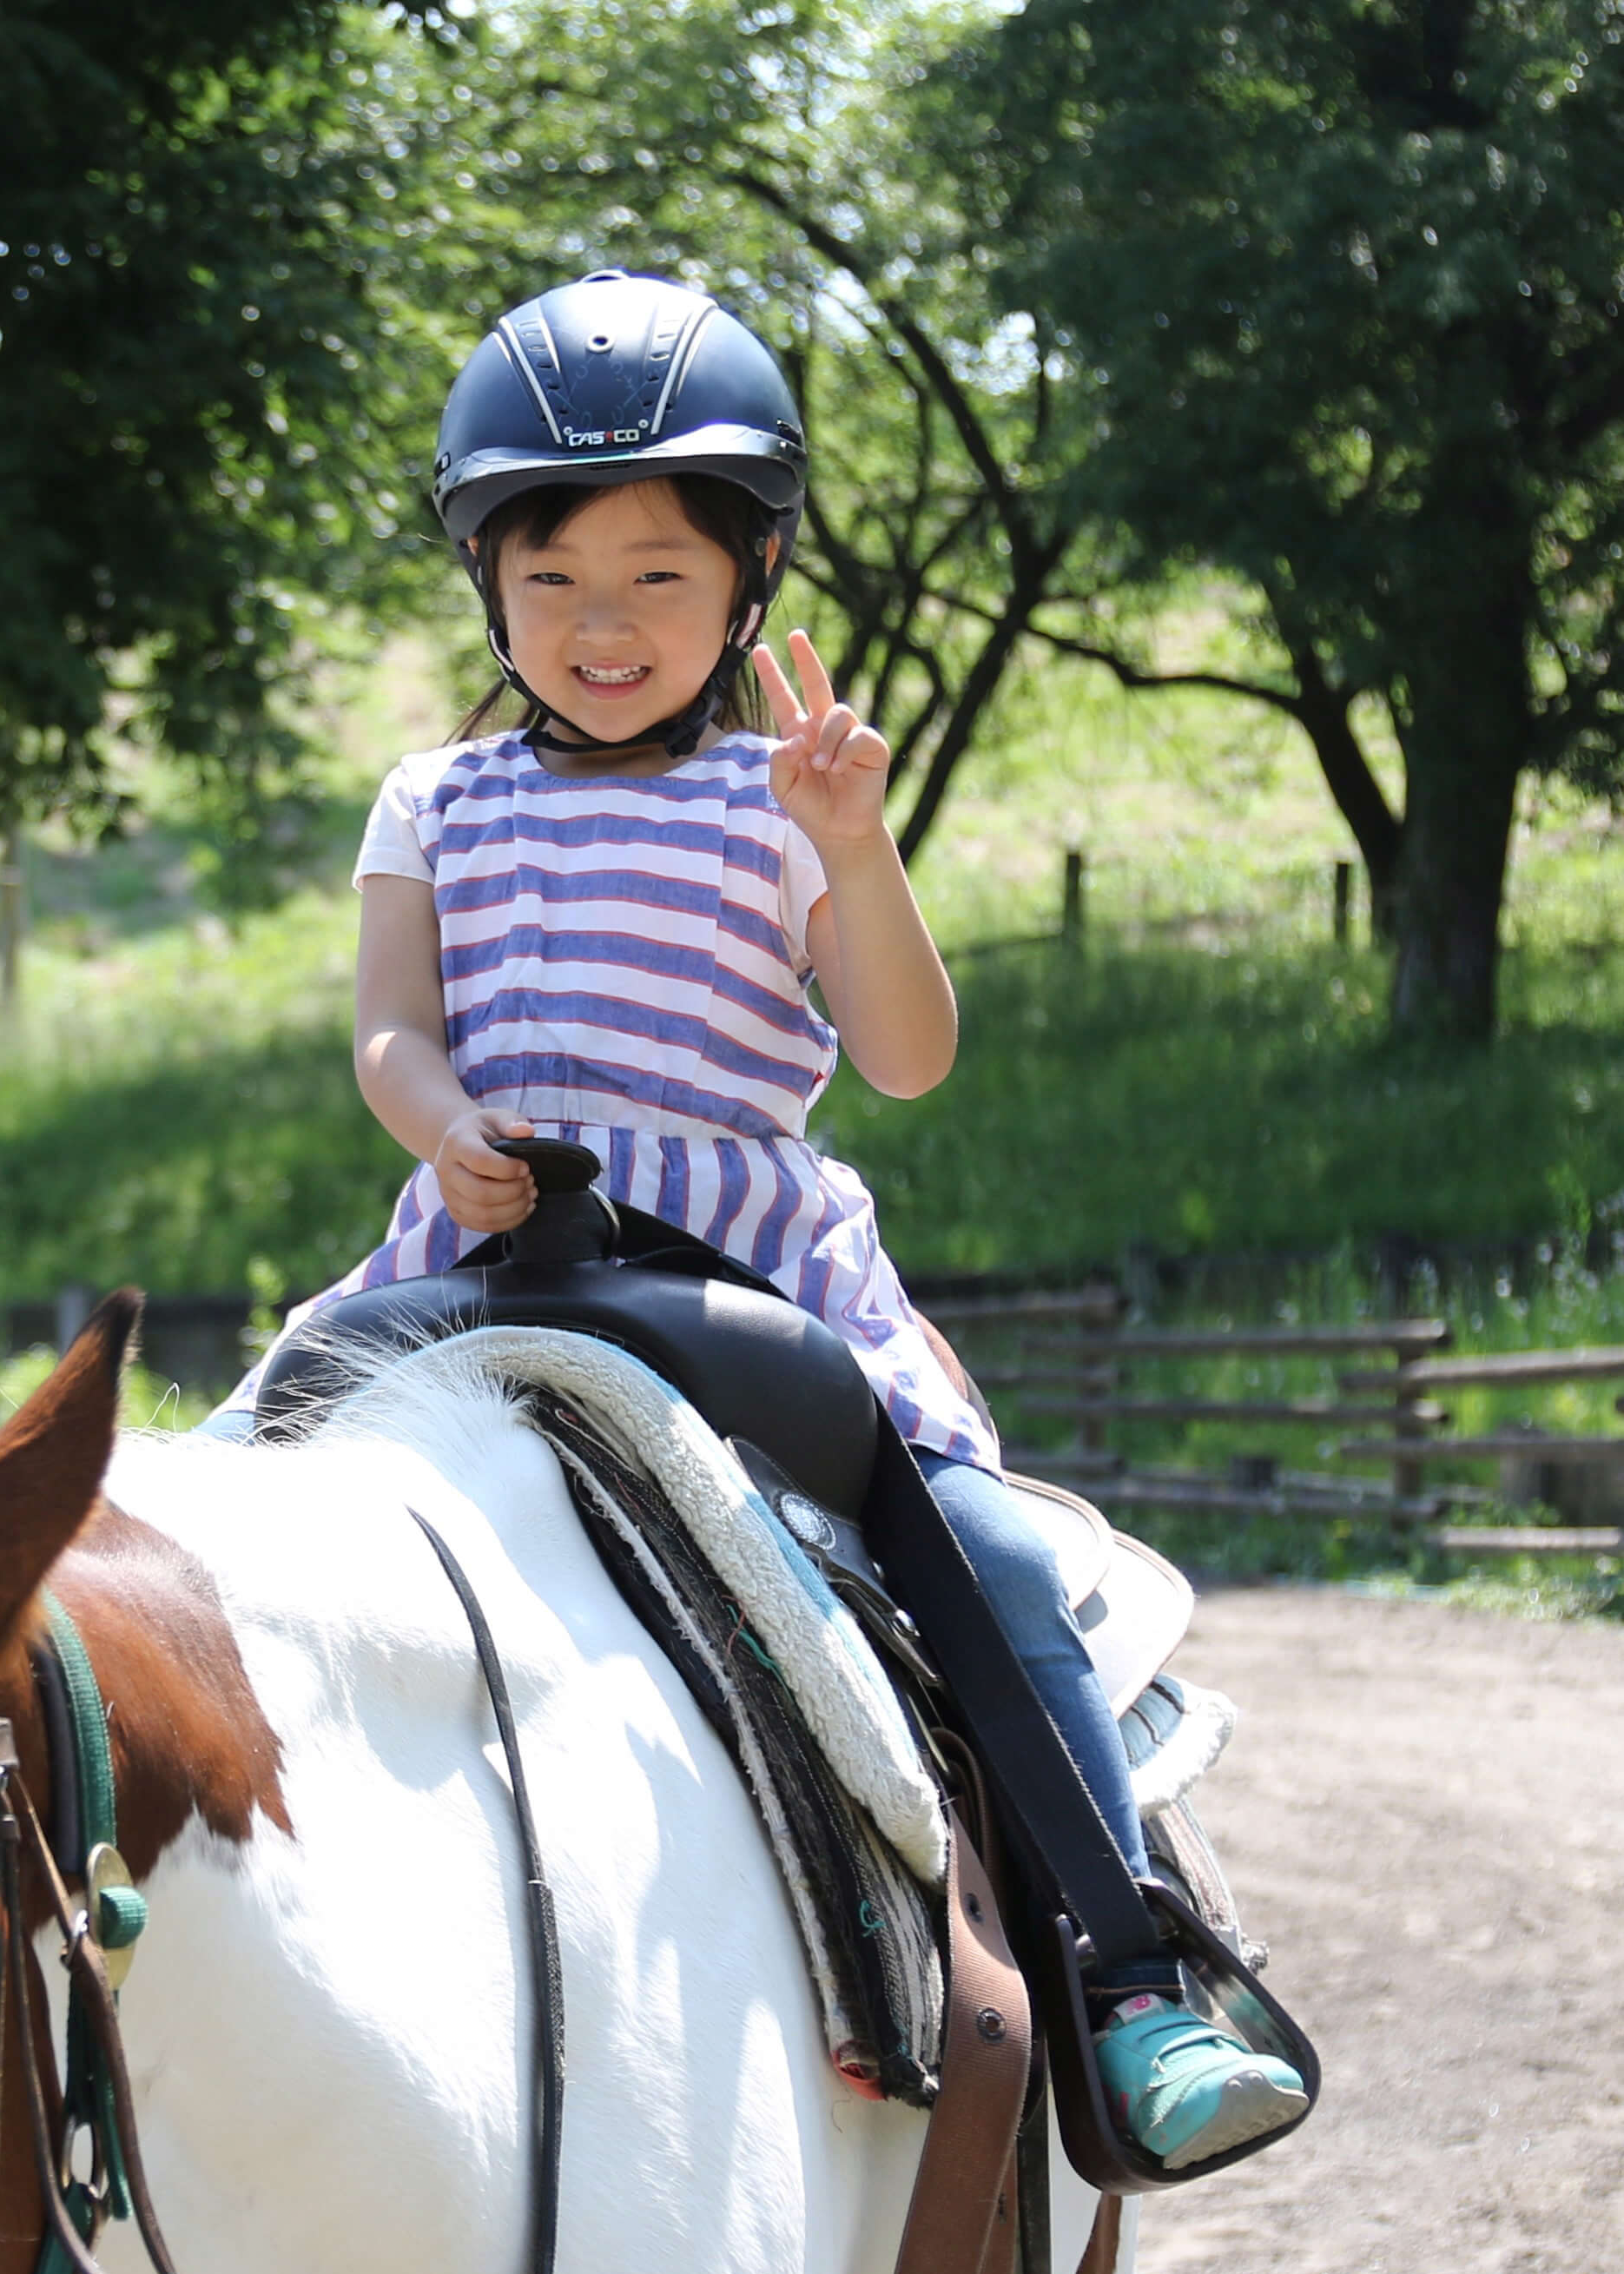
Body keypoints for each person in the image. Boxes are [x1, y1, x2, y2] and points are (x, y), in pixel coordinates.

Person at [220, 269, 1305, 2171]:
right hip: (480, 1253)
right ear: (491, 589)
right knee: (214, 1489)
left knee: (979, 1548)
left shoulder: (782, 799)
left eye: (655, 577)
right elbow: (394, 1026)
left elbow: (904, 1056)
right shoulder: (434, 799)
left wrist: (862, 850)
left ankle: (1133, 1972)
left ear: (748, 579)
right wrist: (446, 1115)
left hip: (742, 1273)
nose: (601, 626)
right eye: (550, 580)